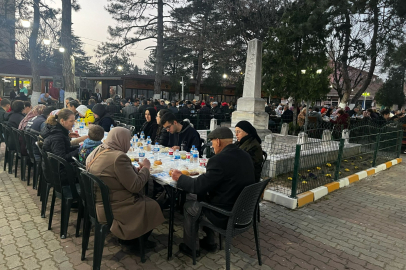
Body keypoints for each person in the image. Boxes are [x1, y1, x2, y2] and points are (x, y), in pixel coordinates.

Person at [171, 127, 255, 256]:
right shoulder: (245, 155)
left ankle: (191, 248)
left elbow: (197, 186)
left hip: (225, 214)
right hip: (243, 212)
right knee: (203, 197)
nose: (212, 147)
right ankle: (209, 242)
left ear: (218, 141)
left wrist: (180, 178)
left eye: (212, 143)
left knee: (189, 206)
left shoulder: (219, 160)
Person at [86, 127, 165, 245]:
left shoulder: (98, 149)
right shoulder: (118, 157)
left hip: (97, 202)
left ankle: (133, 238)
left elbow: (113, 174)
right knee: (153, 205)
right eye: (128, 141)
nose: (128, 145)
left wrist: (133, 170)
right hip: (113, 207)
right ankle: (135, 241)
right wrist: (146, 169)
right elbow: (135, 186)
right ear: (121, 140)